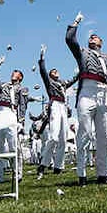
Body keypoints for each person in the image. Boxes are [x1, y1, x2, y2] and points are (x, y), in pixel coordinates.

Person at [65, 16, 107, 185]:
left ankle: (102, 174)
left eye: (95, 37)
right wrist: (75, 23)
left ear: (101, 42)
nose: (92, 37)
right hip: (86, 92)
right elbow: (69, 39)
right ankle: (81, 174)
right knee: (85, 133)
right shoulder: (82, 52)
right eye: (91, 37)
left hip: (103, 93)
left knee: (104, 134)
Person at [36, 45, 76, 177]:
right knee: (53, 136)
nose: (55, 71)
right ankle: (43, 164)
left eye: (56, 70)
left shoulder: (63, 83)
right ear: (50, 75)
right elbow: (42, 71)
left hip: (64, 107)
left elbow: (73, 80)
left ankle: (59, 166)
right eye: (53, 71)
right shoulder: (50, 82)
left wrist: (79, 71)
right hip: (55, 105)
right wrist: (42, 57)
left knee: (63, 138)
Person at [0, 56, 29, 183]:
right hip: (0, 112)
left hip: (11, 113)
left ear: (20, 77)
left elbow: (23, 105)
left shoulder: (22, 88)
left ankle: (18, 174)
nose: (13, 73)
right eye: (13, 72)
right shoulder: (5, 85)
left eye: (16, 73)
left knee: (13, 146)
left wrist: (21, 121)